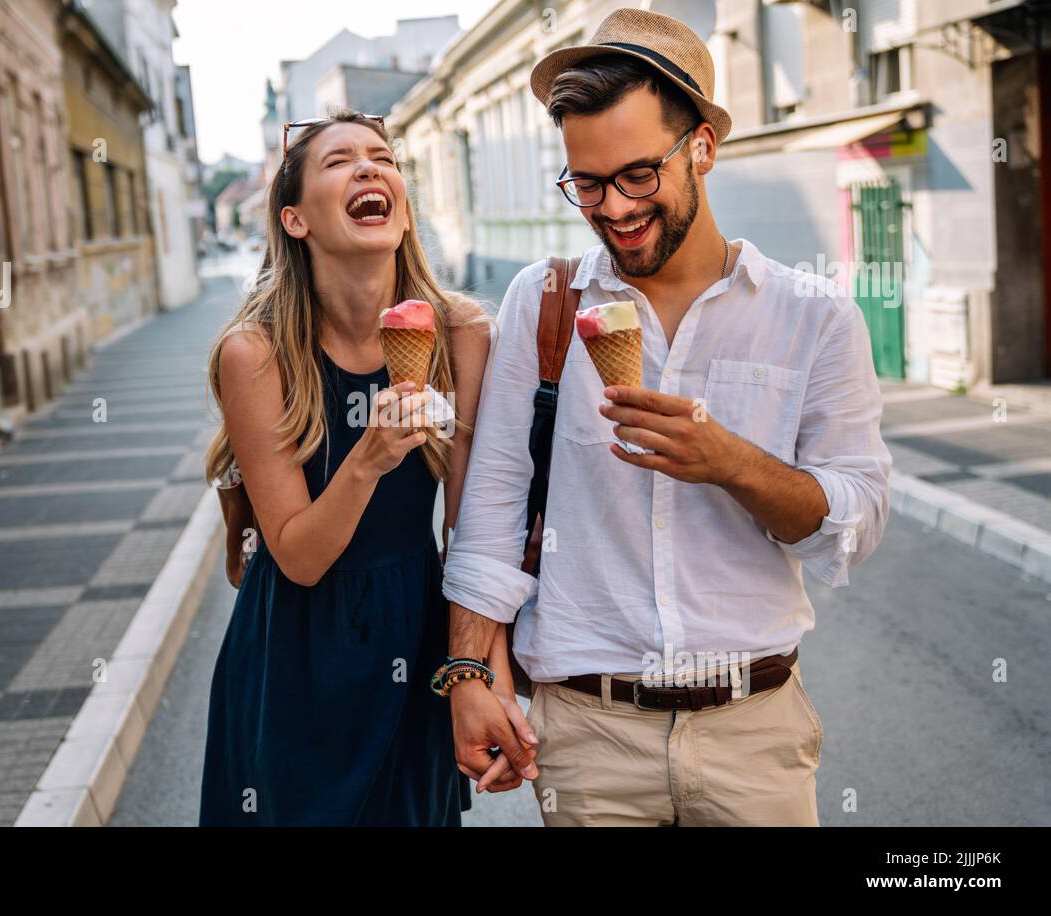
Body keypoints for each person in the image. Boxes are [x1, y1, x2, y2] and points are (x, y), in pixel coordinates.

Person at [441, 8, 892, 826]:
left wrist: (731, 461)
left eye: (638, 175)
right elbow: (493, 507)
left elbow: (854, 525)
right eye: (587, 183)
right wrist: (467, 675)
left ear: (703, 148)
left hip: (754, 732)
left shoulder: (814, 317)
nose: (612, 208)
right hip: (588, 738)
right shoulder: (544, 305)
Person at [198, 110, 492, 826]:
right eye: (339, 162)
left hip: (415, 636)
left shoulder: (463, 334)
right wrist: (370, 457)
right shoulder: (257, 354)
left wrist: (476, 673)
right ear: (295, 220)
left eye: (382, 158)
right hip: (295, 648)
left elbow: (473, 530)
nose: (369, 168)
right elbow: (296, 556)